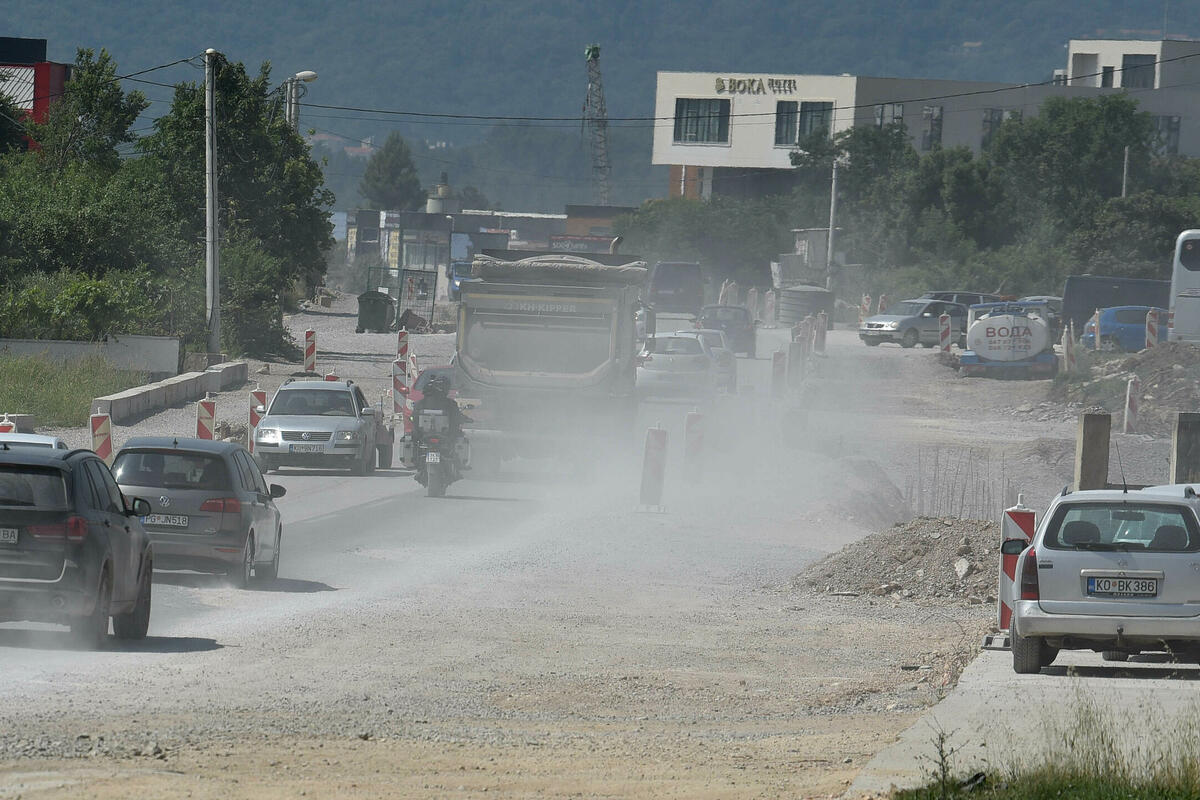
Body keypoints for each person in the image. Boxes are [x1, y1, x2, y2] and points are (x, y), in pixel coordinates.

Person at [412, 375, 470, 483]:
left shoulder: (421, 403)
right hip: (442, 438)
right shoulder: (450, 403)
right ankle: (457, 466)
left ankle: (421, 467)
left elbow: (414, 419)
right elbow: (457, 417)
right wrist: (465, 419)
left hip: (426, 437)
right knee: (459, 437)